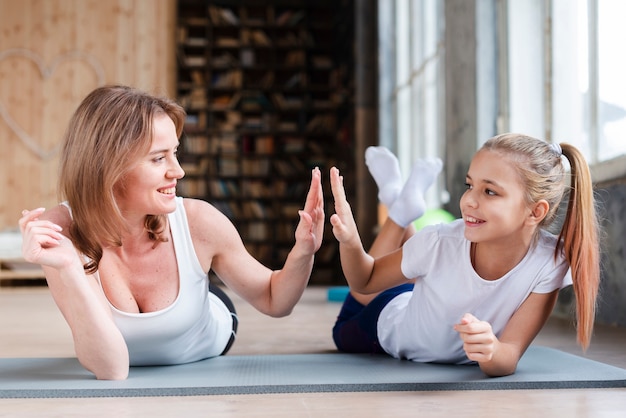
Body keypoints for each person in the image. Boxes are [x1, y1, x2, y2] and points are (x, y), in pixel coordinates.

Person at [18, 85, 325, 380]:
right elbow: (112, 369)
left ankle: (203, 296)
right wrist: (71, 266)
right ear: (108, 167)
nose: (178, 171)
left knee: (205, 292)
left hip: (202, 319)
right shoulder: (60, 233)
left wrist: (303, 251)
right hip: (124, 346)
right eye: (158, 158)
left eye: (175, 153)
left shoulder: (199, 221)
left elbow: (276, 301)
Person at [329, 134, 600, 377]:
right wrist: (351, 242)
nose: (469, 200)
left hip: (427, 294)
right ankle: (398, 209)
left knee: (424, 263)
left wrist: (491, 350)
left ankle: (399, 201)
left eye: (490, 191)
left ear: (535, 212)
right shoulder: (439, 239)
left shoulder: (549, 263)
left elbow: (509, 356)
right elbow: (364, 281)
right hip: (389, 319)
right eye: (469, 185)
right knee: (347, 322)